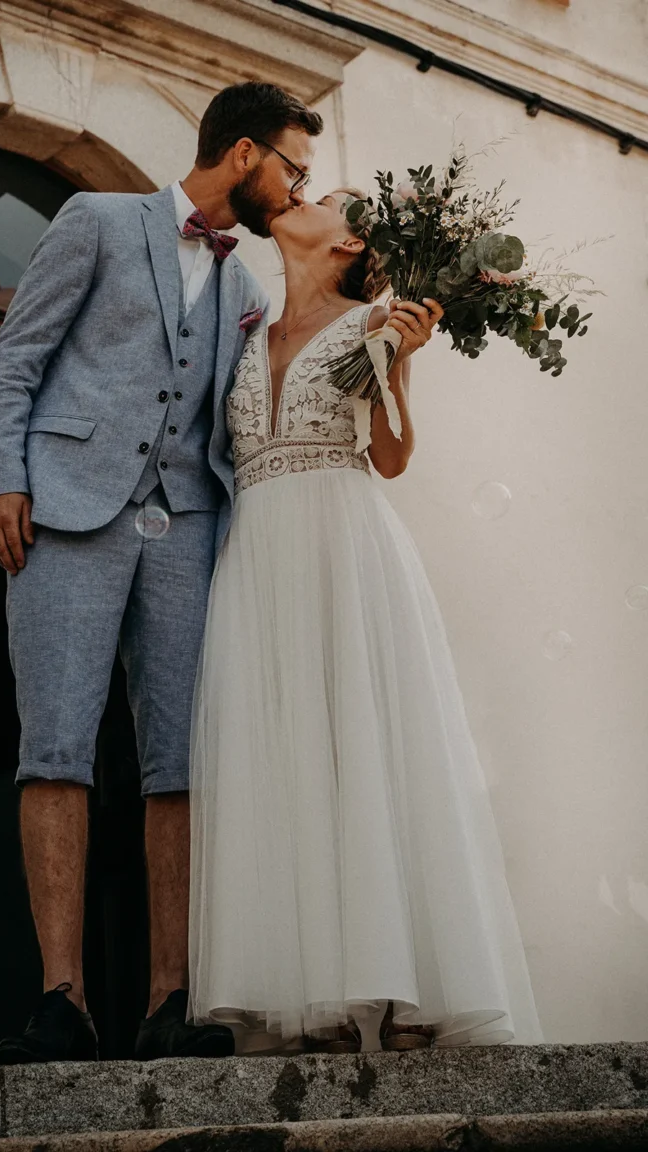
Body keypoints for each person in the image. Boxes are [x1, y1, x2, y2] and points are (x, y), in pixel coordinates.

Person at [0, 81, 323, 1063]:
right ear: (245, 154)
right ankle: (61, 999)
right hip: (66, 511)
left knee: (181, 764)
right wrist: (3, 476)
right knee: (56, 746)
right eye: (294, 167)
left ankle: (171, 997)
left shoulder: (247, 289)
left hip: (190, 532)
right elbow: (16, 358)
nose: (299, 188)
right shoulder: (97, 219)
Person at [188, 190, 544, 1054]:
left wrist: (394, 361)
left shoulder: (380, 320)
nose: (297, 198)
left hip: (342, 548)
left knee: (363, 751)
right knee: (283, 760)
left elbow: (388, 457)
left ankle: (393, 993)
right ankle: (313, 999)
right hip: (258, 561)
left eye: (321, 197)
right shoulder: (244, 328)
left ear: (349, 239)